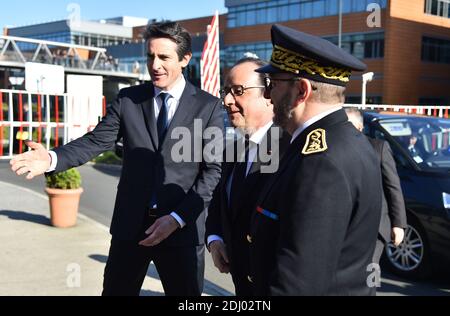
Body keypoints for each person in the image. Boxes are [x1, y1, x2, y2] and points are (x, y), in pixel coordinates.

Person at [10, 21, 224, 296]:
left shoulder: (208, 107)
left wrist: (176, 218)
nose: (155, 65)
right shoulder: (128, 100)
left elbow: (212, 172)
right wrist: (51, 159)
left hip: (180, 232)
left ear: (185, 59)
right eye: (150, 56)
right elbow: (95, 141)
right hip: (130, 229)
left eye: (164, 57)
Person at [248, 24, 382, 295]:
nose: (266, 95)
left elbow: (298, 285)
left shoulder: (320, 161)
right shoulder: (351, 141)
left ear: (301, 90)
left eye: (273, 84)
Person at [205, 57, 289, 296]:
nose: (227, 100)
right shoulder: (234, 149)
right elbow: (219, 201)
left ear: (269, 94)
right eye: (226, 91)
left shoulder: (290, 150)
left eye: (238, 91)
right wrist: (215, 238)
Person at [345, 108, 407, 266]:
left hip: (374, 227)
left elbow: (393, 187)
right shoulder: (336, 149)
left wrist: (398, 224)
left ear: (360, 128)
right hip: (346, 225)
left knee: (369, 276)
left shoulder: (378, 148)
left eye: (349, 126)